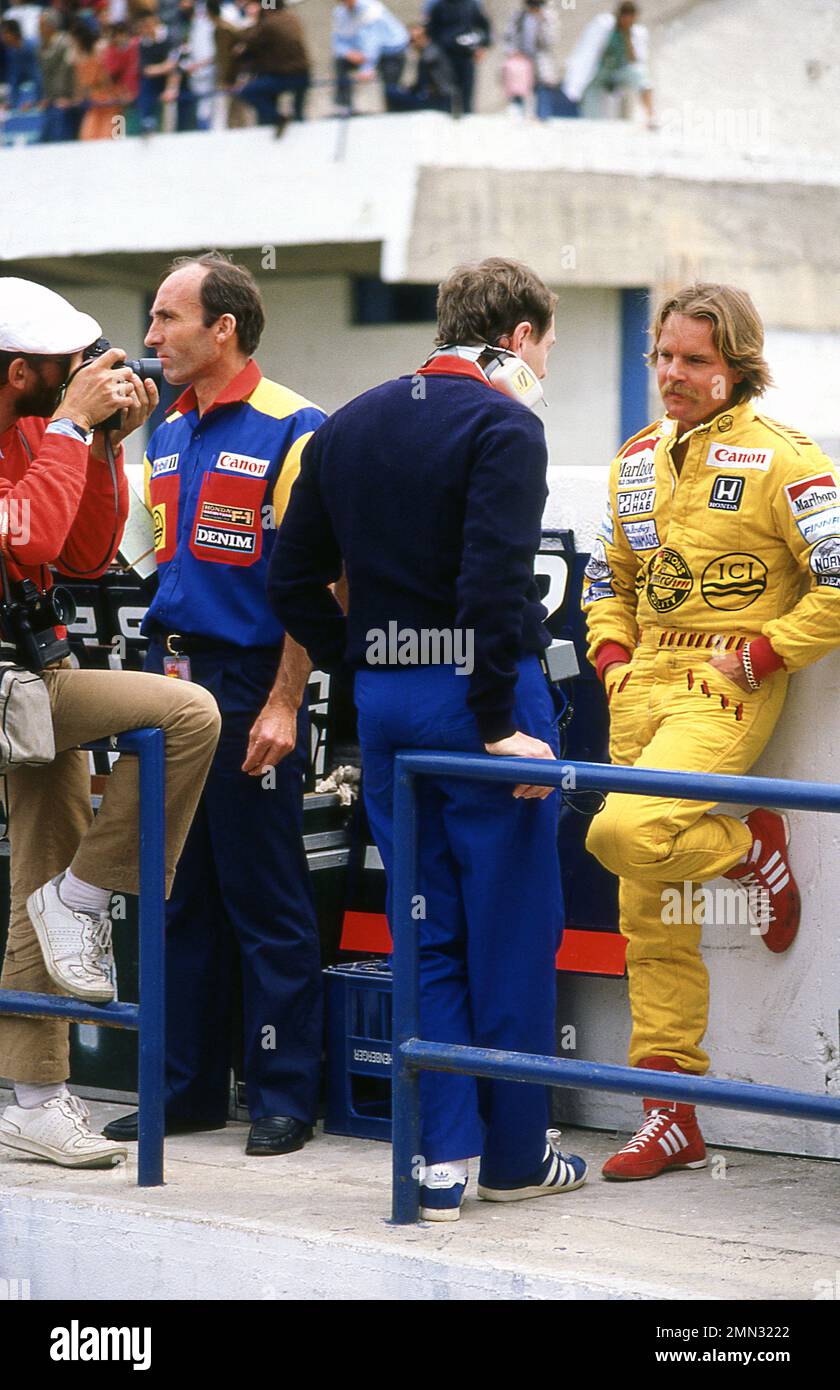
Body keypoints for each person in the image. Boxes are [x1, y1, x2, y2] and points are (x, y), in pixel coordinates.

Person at [267, 257, 588, 1221]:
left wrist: (365, 660)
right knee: (514, 934)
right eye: (548, 345)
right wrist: (497, 721)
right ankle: (517, 1157)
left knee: (426, 933)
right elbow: (495, 586)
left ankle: (439, 1162)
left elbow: (289, 582)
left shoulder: (349, 421)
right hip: (481, 705)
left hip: (393, 707)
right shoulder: (505, 423)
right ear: (520, 338)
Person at [582, 282, 840, 1181]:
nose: (673, 375)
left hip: (722, 686)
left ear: (738, 365)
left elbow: (838, 584)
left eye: (695, 360)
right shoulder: (636, 456)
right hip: (640, 687)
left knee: (626, 831)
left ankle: (740, 845)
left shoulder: (786, 458)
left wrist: (764, 656)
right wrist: (612, 658)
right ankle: (671, 1116)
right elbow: (605, 573)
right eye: (663, 357)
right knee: (645, 909)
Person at [102, 252, 325, 1158]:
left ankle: (284, 1096)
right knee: (179, 893)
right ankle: (187, 1089)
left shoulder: (297, 425)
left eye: (166, 319)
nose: (150, 339)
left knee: (264, 899)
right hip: (172, 681)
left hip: (251, 684)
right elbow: (145, 557)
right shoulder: (161, 430)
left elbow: (314, 585)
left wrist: (281, 703)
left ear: (222, 327)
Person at [0, 278, 221, 1169]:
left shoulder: (32, 432)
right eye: (64, 374)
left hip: (27, 678)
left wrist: (96, 448)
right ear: (21, 372)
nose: (80, 380)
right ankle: (80, 902)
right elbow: (34, 539)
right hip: (15, 687)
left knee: (44, 867)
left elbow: (87, 553)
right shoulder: (33, 431)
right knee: (188, 712)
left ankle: (37, 1101)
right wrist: (66, 432)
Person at [562, 2, 655, 126]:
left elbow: (635, 61)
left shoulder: (636, 33)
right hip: (597, 76)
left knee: (641, 75)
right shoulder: (604, 27)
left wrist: (627, 37)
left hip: (618, 73)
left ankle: (651, 116)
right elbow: (588, 52)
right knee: (593, 119)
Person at [235, 0, 311, 127]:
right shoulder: (292, 19)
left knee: (247, 92)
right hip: (303, 74)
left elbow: (249, 46)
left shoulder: (268, 24)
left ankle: (277, 118)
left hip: (284, 76)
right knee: (299, 116)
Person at [332, 0, 409, 117]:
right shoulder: (340, 12)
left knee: (391, 89)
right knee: (340, 62)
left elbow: (372, 41)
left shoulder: (370, 8)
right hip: (365, 52)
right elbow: (338, 40)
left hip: (391, 51)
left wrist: (367, 69)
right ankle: (344, 107)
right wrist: (348, 52)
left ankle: (394, 114)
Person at [426, 0, 491, 116]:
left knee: (466, 96)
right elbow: (432, 31)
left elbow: (484, 26)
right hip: (444, 57)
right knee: (445, 95)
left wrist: (482, 46)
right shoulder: (439, 6)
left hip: (466, 55)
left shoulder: (471, 5)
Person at [503, 0, 559, 120]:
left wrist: (541, 21)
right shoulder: (519, 16)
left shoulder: (548, 16)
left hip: (541, 56)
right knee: (518, 84)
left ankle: (543, 115)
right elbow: (509, 35)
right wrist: (512, 51)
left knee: (542, 85)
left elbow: (550, 39)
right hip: (521, 56)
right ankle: (518, 113)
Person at [384, 22, 452, 114]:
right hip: (436, 98)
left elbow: (428, 85)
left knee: (391, 91)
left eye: (413, 40)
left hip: (436, 101)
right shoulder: (431, 52)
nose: (411, 45)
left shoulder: (429, 56)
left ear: (424, 38)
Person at [37, 10, 79, 143]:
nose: (39, 29)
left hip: (64, 98)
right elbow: (44, 74)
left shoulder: (64, 42)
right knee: (44, 137)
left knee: (60, 135)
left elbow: (66, 71)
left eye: (42, 25)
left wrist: (64, 95)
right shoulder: (41, 46)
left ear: (51, 26)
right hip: (50, 98)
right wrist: (45, 96)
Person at [1, 18, 41, 107]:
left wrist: (34, 100)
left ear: (14, 33)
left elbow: (38, 76)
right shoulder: (11, 52)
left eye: (4, 33)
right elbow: (14, 77)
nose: (2, 37)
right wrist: (11, 101)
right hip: (27, 91)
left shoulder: (31, 48)